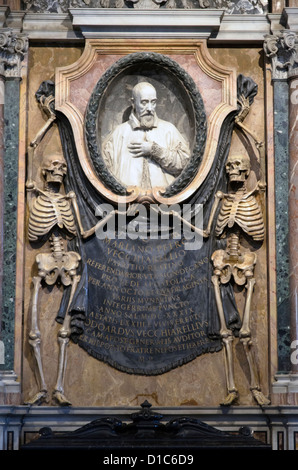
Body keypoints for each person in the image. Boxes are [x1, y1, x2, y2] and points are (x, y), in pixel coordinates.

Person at [102, 82, 190, 189]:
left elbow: (185, 164)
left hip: (165, 202)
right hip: (124, 202)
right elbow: (104, 171)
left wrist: (155, 150)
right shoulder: (119, 133)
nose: (149, 108)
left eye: (153, 102)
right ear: (133, 103)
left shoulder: (169, 130)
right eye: (144, 102)